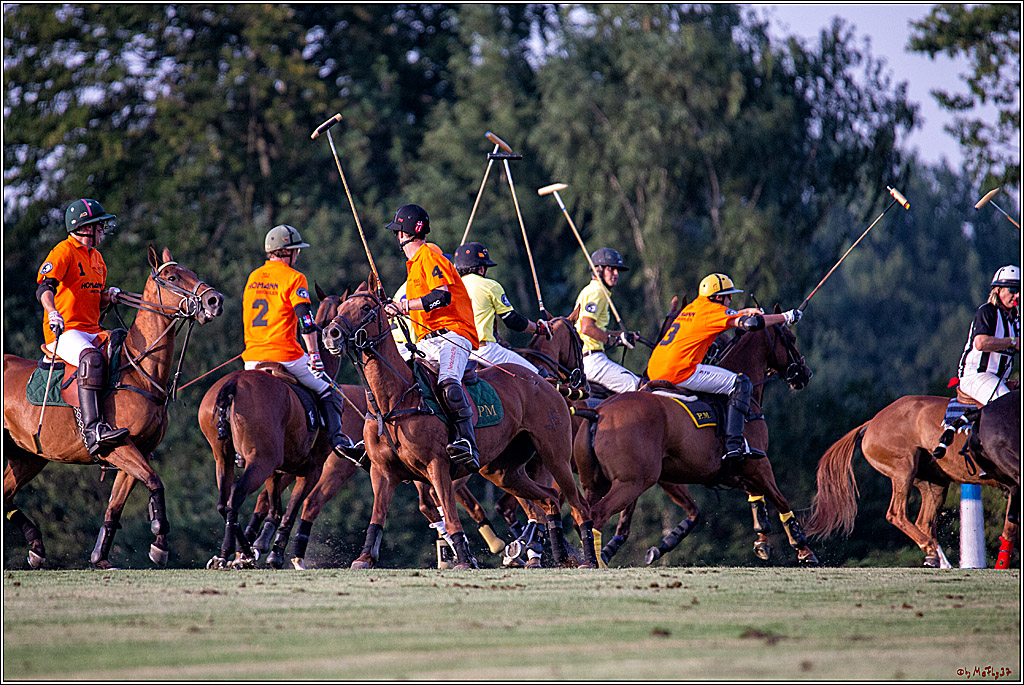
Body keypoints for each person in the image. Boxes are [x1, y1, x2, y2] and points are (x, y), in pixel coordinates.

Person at [646, 273, 802, 460]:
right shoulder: (712, 310)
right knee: (741, 383)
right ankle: (734, 444)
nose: (730, 300)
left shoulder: (694, 307)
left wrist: (743, 312)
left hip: (654, 369)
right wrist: (785, 317)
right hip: (680, 371)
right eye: (729, 296)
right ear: (718, 297)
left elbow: (725, 317)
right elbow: (752, 324)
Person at [241, 224, 362, 465]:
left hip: (251, 358)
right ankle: (338, 442)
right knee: (329, 389)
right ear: (287, 252)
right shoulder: (294, 278)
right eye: (296, 250)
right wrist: (315, 355)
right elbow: (306, 323)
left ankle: (240, 450)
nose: (297, 255)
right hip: (285, 355)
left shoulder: (253, 277)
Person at [382, 204, 482, 471]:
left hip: (454, 334)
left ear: (403, 234)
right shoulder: (414, 265)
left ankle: (467, 442)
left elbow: (442, 296)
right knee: (390, 373)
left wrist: (403, 306)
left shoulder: (429, 255)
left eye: (397, 232)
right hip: (427, 340)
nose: (397, 237)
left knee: (449, 383)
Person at [36, 198, 129, 456]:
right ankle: (93, 430)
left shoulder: (97, 258)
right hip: (65, 331)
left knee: (124, 349)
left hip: (92, 330)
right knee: (91, 359)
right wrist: (52, 312)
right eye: (99, 225)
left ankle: (129, 421)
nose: (103, 229)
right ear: (86, 227)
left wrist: (109, 296)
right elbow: (44, 288)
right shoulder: (63, 251)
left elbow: (95, 299)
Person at [933, 265, 1019, 457]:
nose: (1018, 296)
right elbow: (981, 343)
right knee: (1008, 408)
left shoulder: (1015, 319)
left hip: (999, 379)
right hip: (976, 376)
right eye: (1013, 290)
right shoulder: (988, 312)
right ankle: (991, 458)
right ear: (998, 290)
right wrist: (1013, 342)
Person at [453, 241, 551, 373]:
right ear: (481, 269)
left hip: (455, 351)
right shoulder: (490, 286)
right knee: (536, 375)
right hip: (483, 351)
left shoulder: (451, 287)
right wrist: (538, 328)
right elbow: (512, 321)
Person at [573, 247, 641, 394]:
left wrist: (621, 335)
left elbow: (597, 329)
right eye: (611, 269)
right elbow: (587, 328)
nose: (616, 274)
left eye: (617, 270)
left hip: (585, 358)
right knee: (638, 386)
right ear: (598, 270)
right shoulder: (597, 292)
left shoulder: (590, 290)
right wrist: (613, 341)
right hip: (592, 359)